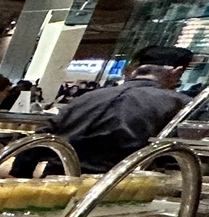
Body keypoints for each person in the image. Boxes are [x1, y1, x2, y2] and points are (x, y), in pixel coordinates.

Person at [36, 46, 194, 174]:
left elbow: (43, 136)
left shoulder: (88, 97)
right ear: (177, 72)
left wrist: (24, 173)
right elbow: (179, 153)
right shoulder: (181, 104)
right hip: (122, 187)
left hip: (57, 179)